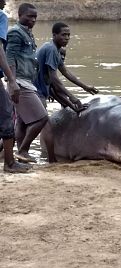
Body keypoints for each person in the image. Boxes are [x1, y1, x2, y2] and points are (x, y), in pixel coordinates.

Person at [6, 3, 48, 163]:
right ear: (20, 15)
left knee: (23, 122)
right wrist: (12, 82)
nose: (33, 20)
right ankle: (23, 150)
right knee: (42, 118)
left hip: (27, 81)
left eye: (35, 17)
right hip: (20, 82)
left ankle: (19, 156)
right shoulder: (16, 32)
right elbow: (10, 57)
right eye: (29, 16)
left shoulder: (28, 33)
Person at [35, 22, 98, 111]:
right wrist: (72, 97)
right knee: (43, 121)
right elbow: (54, 79)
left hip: (38, 90)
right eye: (64, 35)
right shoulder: (51, 49)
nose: (67, 38)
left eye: (68, 35)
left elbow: (66, 72)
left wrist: (85, 87)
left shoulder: (56, 50)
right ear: (54, 35)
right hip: (35, 92)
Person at [0, 0, 30, 173]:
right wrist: (11, 80)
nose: (5, 2)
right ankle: (10, 163)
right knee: (6, 116)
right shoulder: (1, 16)